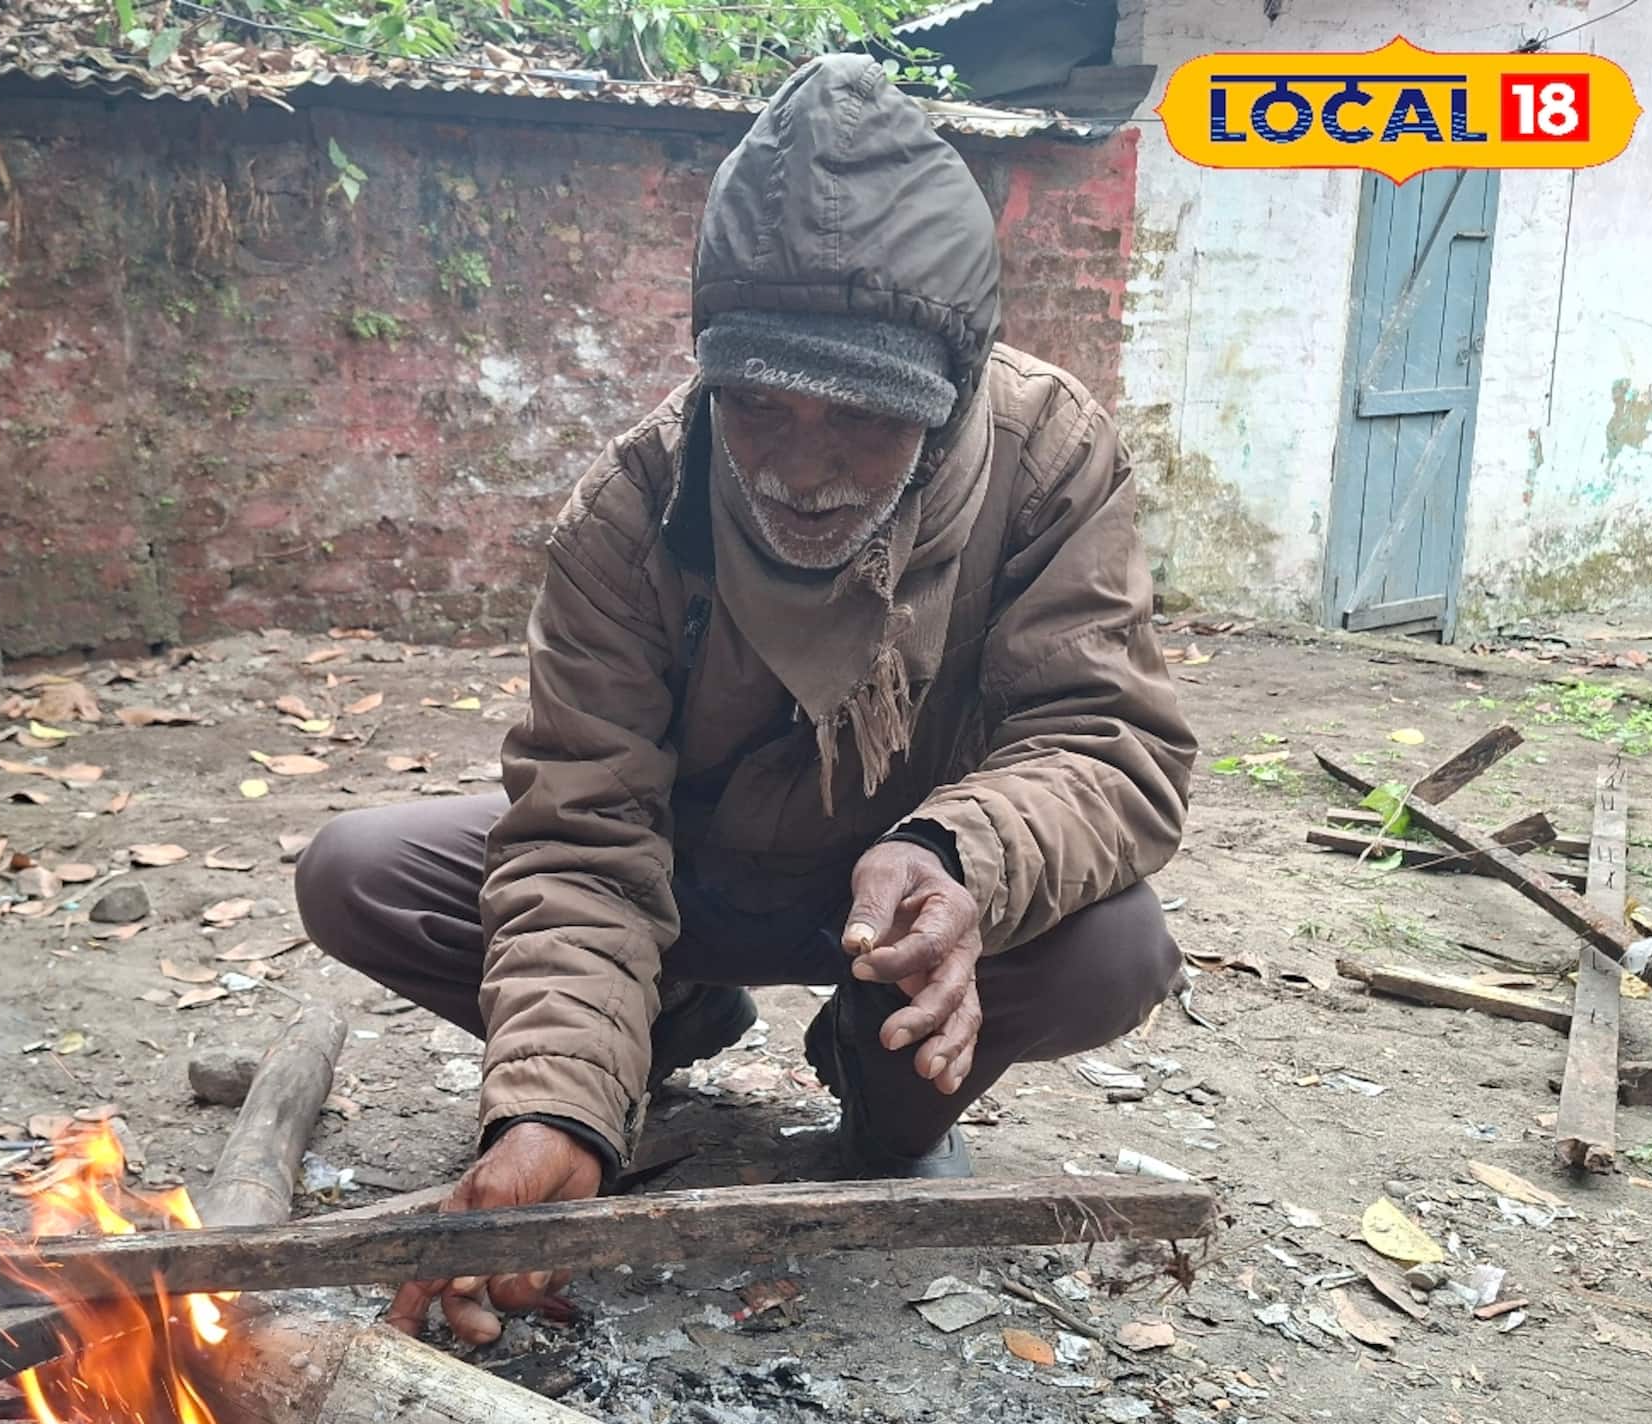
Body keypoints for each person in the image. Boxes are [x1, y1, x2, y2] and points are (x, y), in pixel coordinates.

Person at [297, 53, 1195, 1345]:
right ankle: (663, 1023)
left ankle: (879, 1081)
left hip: (902, 913)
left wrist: (959, 856)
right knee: (362, 871)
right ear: (711, 374)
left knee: (1116, 946)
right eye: (758, 408)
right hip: (689, 879)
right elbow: (582, 833)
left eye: (863, 420)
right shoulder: (635, 504)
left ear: (946, 400)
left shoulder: (1047, 458)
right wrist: (550, 1106)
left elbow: (1107, 741)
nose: (800, 469)